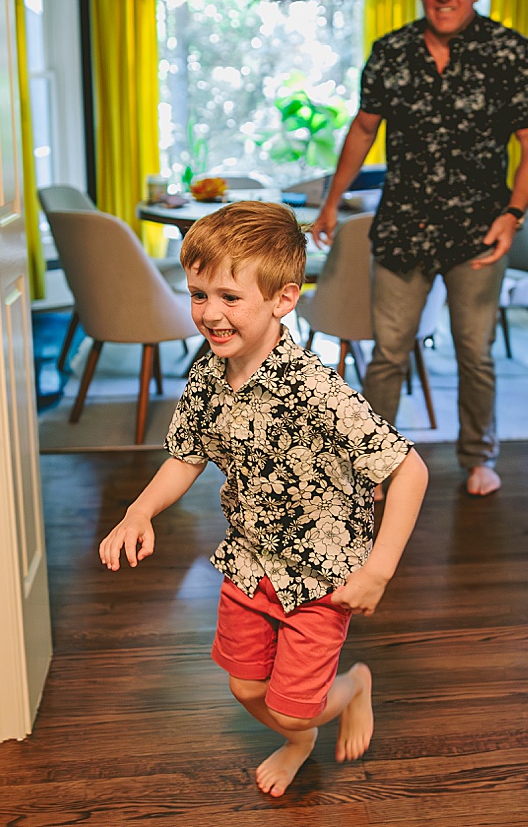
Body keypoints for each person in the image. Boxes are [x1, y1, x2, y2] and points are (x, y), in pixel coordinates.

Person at [98, 201, 428, 798]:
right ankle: (300, 739)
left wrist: (378, 572)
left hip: (320, 572)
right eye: (198, 294)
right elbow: (186, 455)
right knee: (245, 688)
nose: (209, 314)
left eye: (229, 297)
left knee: (298, 708)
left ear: (284, 300)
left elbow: (410, 471)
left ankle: (349, 690)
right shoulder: (206, 374)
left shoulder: (315, 388)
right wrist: (138, 510)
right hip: (250, 563)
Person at [311, 0, 528, 497]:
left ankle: (478, 458)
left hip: (479, 231)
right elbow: (364, 130)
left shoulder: (511, 52)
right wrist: (329, 202)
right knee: (389, 354)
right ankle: (374, 468)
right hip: (403, 226)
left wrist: (513, 215)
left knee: (475, 351)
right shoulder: (391, 51)